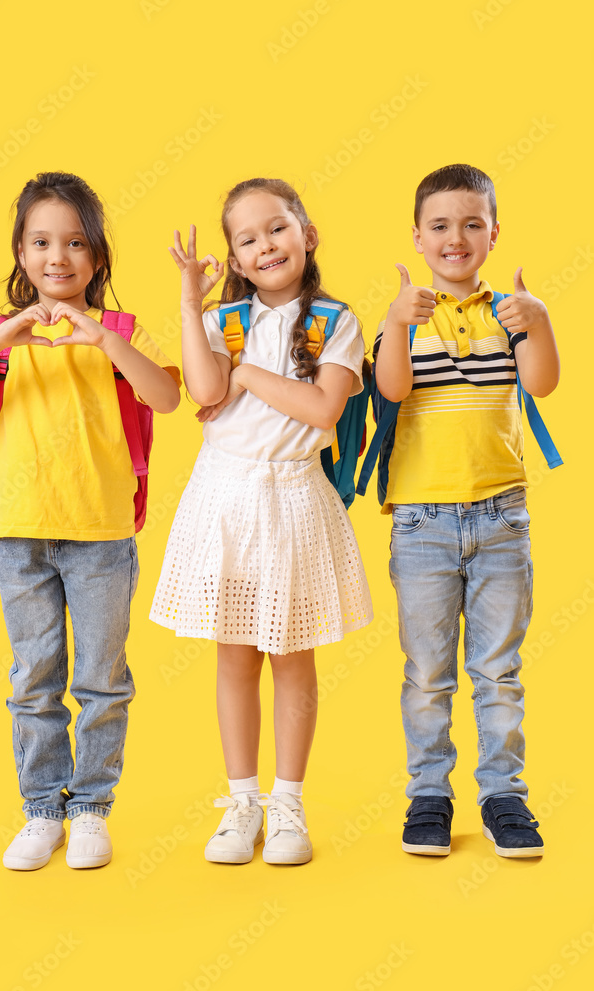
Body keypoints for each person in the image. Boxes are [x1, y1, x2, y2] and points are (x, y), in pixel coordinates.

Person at [0, 172, 181, 870]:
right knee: (33, 678)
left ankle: (92, 809)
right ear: (20, 251)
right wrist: (0, 334)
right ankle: (42, 811)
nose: (57, 257)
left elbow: (164, 398)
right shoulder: (2, 341)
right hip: (18, 530)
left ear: (97, 258)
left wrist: (104, 341)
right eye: (40, 242)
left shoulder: (121, 333)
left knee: (102, 678)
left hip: (100, 534)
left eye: (74, 243)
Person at [150, 178, 373, 865]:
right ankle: (241, 801)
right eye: (246, 240)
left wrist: (247, 379)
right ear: (236, 263)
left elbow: (321, 411)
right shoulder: (223, 323)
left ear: (306, 234)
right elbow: (204, 388)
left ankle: (287, 805)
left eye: (276, 228)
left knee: (291, 655)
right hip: (223, 500)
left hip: (293, 502)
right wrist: (191, 302)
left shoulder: (334, 320)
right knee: (233, 656)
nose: (264, 244)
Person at [374, 163, 559, 858]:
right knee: (426, 671)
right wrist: (395, 320)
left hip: (500, 517)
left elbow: (541, 382)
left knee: (497, 669)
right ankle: (428, 793)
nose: (456, 237)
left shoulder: (508, 313)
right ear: (417, 237)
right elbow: (390, 390)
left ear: (492, 232)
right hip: (422, 523)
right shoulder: (404, 316)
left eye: (471, 224)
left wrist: (537, 320)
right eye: (441, 225)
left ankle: (502, 795)